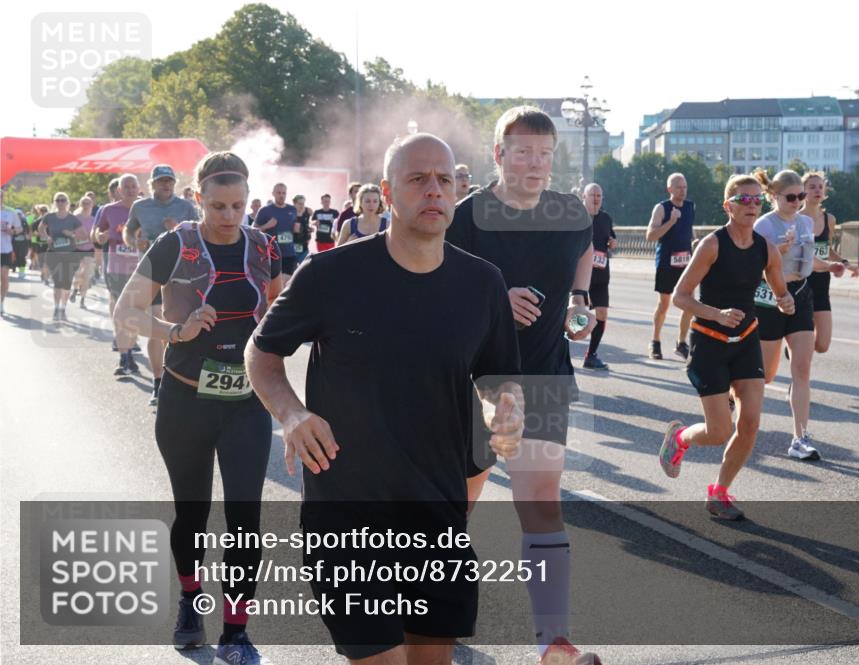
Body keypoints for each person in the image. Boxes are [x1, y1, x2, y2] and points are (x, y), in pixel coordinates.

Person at [246, 133, 524, 665]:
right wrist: (292, 413)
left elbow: (500, 382)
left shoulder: (483, 284)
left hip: (437, 517)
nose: (434, 191)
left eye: (444, 180)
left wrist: (506, 412)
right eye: (417, 179)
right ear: (386, 192)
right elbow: (261, 354)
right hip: (345, 518)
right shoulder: (330, 275)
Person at [446, 106, 601, 665]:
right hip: (475, 381)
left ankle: (551, 641)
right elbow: (431, 287)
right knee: (457, 507)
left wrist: (579, 300)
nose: (535, 163)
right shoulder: (466, 217)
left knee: (540, 502)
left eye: (544, 153)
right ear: (499, 155)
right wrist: (492, 302)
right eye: (523, 152)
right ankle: (442, 614)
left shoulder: (569, 214)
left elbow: (583, 252)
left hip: (543, 377)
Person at [113, 152, 282, 665]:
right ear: (198, 197)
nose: (229, 216)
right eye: (217, 206)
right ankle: (191, 601)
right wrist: (175, 332)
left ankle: (236, 629)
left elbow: (278, 313)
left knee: (245, 518)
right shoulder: (175, 245)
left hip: (244, 404)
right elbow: (125, 313)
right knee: (192, 512)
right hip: (185, 400)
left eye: (238, 205)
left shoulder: (264, 247)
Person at [658, 171, 793, 520]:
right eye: (743, 200)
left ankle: (719, 493)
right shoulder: (713, 245)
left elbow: (780, 289)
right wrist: (716, 314)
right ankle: (681, 438)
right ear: (728, 206)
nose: (751, 205)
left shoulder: (765, 248)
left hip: (746, 340)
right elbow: (681, 297)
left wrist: (786, 302)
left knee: (750, 422)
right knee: (719, 432)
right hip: (711, 343)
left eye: (756, 200)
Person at [753, 170, 845, 461]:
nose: (797, 202)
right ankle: (734, 394)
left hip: (802, 295)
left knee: (802, 369)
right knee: (766, 375)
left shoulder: (805, 222)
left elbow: (809, 258)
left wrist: (829, 266)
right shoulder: (763, 225)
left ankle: (800, 438)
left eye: (800, 196)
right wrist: (777, 252)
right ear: (773, 197)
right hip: (770, 298)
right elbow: (753, 265)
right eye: (791, 197)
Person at [125, 164, 201, 404]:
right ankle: (159, 381)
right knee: (157, 322)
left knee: (180, 326)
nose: (166, 184)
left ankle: (181, 377)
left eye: (169, 180)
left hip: (182, 275)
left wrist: (176, 230)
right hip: (151, 273)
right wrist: (133, 243)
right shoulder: (140, 206)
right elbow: (129, 231)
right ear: (152, 184)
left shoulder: (186, 207)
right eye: (161, 181)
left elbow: (200, 237)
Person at [800, 172, 859, 354]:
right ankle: (797, 360)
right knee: (804, 343)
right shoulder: (796, 219)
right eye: (812, 187)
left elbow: (827, 250)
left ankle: (794, 349)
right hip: (800, 284)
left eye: (820, 186)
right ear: (802, 192)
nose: (817, 190)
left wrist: (844, 262)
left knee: (822, 346)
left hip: (822, 285)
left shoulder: (829, 220)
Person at [95, 174, 143, 374]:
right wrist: (99, 236)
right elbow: (95, 234)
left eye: (134, 186)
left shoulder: (146, 208)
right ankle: (126, 355)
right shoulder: (108, 210)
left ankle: (128, 349)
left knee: (135, 312)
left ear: (139, 188)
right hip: (116, 269)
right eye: (126, 187)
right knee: (123, 311)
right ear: (119, 191)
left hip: (141, 269)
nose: (130, 190)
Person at [646, 173, 695, 360]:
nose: (682, 190)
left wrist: (695, 242)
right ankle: (655, 341)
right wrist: (671, 221)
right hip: (666, 262)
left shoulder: (690, 207)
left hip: (686, 262)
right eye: (678, 187)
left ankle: (682, 342)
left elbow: (689, 229)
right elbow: (650, 235)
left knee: (689, 303)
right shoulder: (662, 208)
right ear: (669, 189)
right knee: (664, 304)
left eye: (684, 187)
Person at [582, 183, 616, 370]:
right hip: (580, 275)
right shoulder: (577, 217)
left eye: (599, 196)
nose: (596, 198)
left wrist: (612, 242)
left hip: (601, 275)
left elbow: (611, 239)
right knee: (576, 315)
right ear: (584, 197)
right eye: (592, 195)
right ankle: (562, 348)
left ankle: (591, 354)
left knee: (601, 313)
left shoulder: (606, 218)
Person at [38, 192, 84, 322]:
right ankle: (57, 308)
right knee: (58, 281)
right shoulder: (49, 217)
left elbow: (84, 235)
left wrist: (71, 234)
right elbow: (41, 228)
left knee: (67, 283)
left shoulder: (72, 218)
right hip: (54, 253)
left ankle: (63, 308)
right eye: (57, 200)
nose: (60, 202)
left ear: (67, 202)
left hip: (70, 254)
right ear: (54, 202)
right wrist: (47, 237)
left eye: (63, 200)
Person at [253, 182, 299, 283]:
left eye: (284, 193)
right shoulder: (265, 210)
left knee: (287, 285)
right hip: (272, 254)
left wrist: (297, 230)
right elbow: (253, 232)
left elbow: (295, 230)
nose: (281, 195)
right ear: (273, 193)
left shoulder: (292, 210)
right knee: (275, 286)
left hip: (289, 254)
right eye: (279, 193)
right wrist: (266, 226)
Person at [70, 196, 97, 310]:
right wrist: (76, 237)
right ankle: (75, 289)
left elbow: (96, 234)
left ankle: (82, 299)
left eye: (88, 203)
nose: (86, 205)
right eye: (84, 203)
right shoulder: (75, 218)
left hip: (89, 249)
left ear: (92, 205)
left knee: (86, 275)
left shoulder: (93, 219)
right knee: (77, 273)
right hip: (76, 248)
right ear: (80, 204)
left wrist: (93, 238)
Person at [0, 191, 23, 317]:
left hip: (5, 249)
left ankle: (1, 302)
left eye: (0, 196)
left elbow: (19, 228)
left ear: (3, 197)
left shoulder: (10, 212)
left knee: (4, 277)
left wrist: (12, 231)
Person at [291, 194, 312, 266]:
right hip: (291, 248)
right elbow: (296, 230)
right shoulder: (290, 214)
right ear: (294, 204)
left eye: (303, 203)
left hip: (304, 247)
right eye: (299, 204)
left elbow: (307, 225)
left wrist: (310, 229)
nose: (301, 206)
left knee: (305, 270)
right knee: (292, 272)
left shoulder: (307, 212)